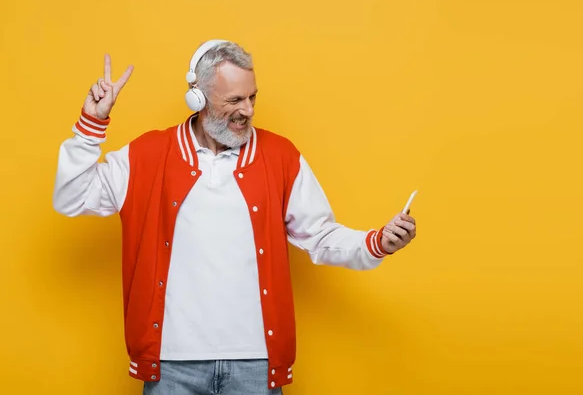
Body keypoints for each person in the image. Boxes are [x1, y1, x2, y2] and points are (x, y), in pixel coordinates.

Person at [52, 39, 417, 395]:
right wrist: (90, 125)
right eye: (234, 100)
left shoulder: (280, 156)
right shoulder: (147, 155)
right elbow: (71, 198)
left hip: (255, 365)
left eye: (252, 97)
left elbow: (321, 237)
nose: (248, 110)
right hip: (171, 365)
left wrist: (378, 242)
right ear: (199, 98)